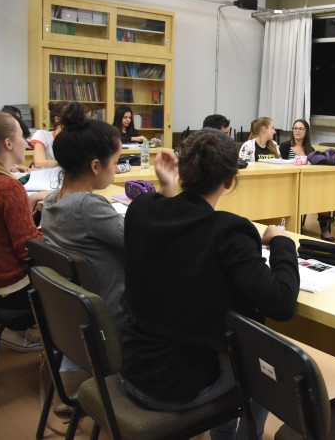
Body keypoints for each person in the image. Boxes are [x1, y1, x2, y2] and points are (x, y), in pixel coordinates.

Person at [120, 128, 299, 440]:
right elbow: (282, 304)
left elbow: (161, 216)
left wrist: (166, 187)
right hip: (176, 388)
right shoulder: (230, 232)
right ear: (230, 180)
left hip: (131, 369)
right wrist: (283, 243)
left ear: (182, 170)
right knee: (269, 369)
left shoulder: (141, 210)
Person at [40, 102, 127, 328]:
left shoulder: (51, 203)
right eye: (116, 162)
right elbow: (141, 240)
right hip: (115, 318)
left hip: (77, 319)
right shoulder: (87, 206)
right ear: (96, 165)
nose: (117, 170)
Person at [0, 111, 45, 353]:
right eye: (20, 136)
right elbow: (27, 248)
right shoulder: (9, 187)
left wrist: (28, 210)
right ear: (7, 143)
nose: (26, 142)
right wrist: (47, 233)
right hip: (10, 288)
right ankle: (24, 329)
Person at [281, 119, 335, 241]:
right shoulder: (285, 146)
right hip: (290, 184)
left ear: (306, 132)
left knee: (321, 192)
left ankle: (324, 227)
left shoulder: (309, 148)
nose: (297, 131)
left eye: (301, 129)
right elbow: (282, 165)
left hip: (307, 183)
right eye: (295, 128)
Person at [30, 101, 68, 168]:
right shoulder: (43, 135)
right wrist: (67, 165)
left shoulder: (77, 138)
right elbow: (39, 162)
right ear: (57, 119)